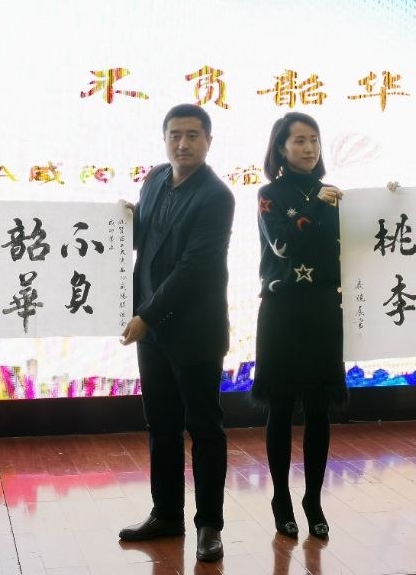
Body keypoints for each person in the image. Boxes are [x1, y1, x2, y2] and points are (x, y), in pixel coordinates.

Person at [117, 103, 235, 563]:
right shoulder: (153, 180)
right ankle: (166, 514)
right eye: (174, 135)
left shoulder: (217, 196)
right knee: (161, 427)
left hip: (194, 331)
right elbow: (148, 242)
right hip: (152, 332)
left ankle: (209, 526)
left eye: (192, 135)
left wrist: (146, 315)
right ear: (164, 139)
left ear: (208, 141)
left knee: (204, 429)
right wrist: (122, 223)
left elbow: (194, 268)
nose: (182, 144)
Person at [254, 112, 347, 539]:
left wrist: (388, 199)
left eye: (314, 139)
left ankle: (313, 498)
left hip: (324, 310)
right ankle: (281, 498)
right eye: (299, 140)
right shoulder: (269, 195)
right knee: (280, 407)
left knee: (318, 409)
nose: (309, 148)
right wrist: (317, 205)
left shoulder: (334, 194)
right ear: (281, 148)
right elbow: (284, 243)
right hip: (282, 311)